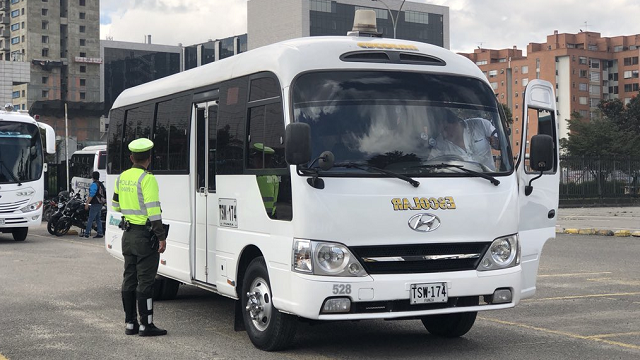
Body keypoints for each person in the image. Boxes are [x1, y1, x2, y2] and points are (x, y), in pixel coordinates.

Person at [112, 138, 167, 337]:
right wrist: (161, 237)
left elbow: (116, 206)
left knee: (129, 279)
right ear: (149, 158)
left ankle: (130, 324)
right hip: (145, 237)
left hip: (127, 235)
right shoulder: (147, 179)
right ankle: (146, 325)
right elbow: (154, 212)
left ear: (131, 157)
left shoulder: (122, 177)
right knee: (146, 282)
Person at [430, 109, 498, 171]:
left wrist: (496, 142)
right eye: (441, 132)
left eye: (446, 128)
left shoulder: (481, 125)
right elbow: (430, 163)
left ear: (456, 122)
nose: (444, 134)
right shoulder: (440, 143)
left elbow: (501, 144)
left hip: (490, 179)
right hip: (460, 181)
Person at [250, 143, 280, 218]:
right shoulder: (273, 176)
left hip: (262, 216)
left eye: (255, 159)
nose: (254, 162)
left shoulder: (262, 179)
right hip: (272, 215)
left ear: (261, 161)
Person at [83, 171, 104, 238]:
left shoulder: (94, 184)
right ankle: (100, 233)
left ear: (92, 177)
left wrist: (87, 203)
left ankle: (86, 233)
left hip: (95, 203)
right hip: (100, 203)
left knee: (90, 218)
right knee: (98, 218)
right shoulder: (101, 184)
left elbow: (92, 194)